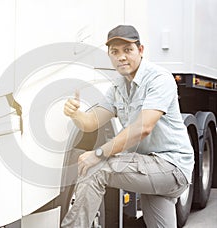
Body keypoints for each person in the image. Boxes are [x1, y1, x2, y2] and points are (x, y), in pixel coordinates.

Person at [61, 25, 194, 228]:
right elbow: (91, 122)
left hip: (170, 167)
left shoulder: (159, 78)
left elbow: (143, 127)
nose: (121, 57)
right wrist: (75, 114)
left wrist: (98, 154)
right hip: (150, 169)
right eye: (115, 52)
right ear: (109, 55)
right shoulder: (118, 86)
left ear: (140, 51)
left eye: (128, 50)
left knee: (94, 168)